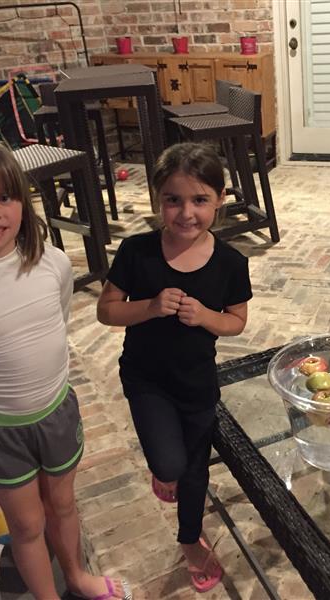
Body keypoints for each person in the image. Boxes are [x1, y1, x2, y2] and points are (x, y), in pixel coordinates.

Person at [0, 135, 130, 600]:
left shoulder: (53, 264)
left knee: (63, 504)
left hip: (56, 413)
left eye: (5, 196)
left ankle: (76, 575)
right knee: (27, 525)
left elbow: (57, 319)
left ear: (23, 202)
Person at [96, 142, 252, 593]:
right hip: (146, 379)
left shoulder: (231, 262)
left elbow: (237, 321)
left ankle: (189, 540)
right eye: (173, 199)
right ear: (157, 199)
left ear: (220, 199)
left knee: (195, 469)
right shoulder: (137, 252)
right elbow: (106, 311)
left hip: (197, 382)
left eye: (200, 199)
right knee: (169, 464)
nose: (186, 213)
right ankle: (164, 472)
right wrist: (148, 307)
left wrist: (205, 316)